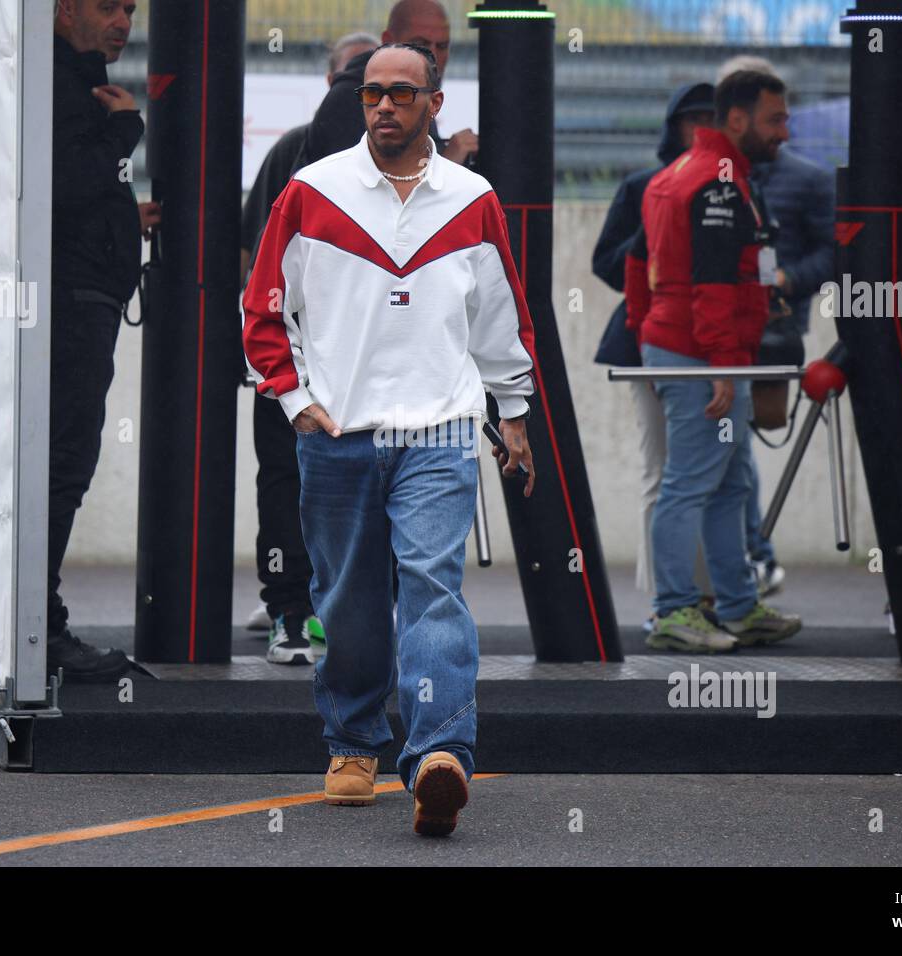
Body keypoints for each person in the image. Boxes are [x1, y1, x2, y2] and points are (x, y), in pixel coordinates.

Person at [242, 43, 536, 835]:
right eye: (373, 92)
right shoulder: (311, 191)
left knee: (433, 588)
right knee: (351, 603)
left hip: (440, 433)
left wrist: (512, 413)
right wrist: (297, 400)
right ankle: (353, 742)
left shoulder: (473, 198)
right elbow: (264, 310)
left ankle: (440, 751)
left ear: (434, 104)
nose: (383, 106)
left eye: (402, 93)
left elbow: (501, 317)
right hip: (337, 436)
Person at [637, 70, 802, 653]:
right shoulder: (718, 182)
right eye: (774, 119)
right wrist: (721, 366)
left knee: (731, 482)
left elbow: (638, 263)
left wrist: (647, 331)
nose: (784, 131)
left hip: (687, 348)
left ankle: (735, 605)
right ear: (736, 119)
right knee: (688, 484)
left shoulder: (681, 173)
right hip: (700, 355)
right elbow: (711, 284)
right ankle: (674, 611)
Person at [238, 32, 378, 665]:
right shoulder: (302, 155)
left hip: (326, 362)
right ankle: (302, 610)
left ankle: (304, 611)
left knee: (304, 481)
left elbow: (251, 257)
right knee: (309, 482)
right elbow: (255, 260)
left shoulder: (413, 168)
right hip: (322, 360)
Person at [47, 0, 157, 682]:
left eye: (130, 9)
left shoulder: (77, 81)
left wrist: (125, 213)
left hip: (82, 303)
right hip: (69, 310)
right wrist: (125, 134)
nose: (123, 20)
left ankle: (38, 620)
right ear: (62, 9)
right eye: (108, 4)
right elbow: (61, 180)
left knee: (65, 465)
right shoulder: (61, 85)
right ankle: (40, 627)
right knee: (61, 465)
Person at [715, 57, 835, 598]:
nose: (784, 131)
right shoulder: (700, 175)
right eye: (775, 119)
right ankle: (751, 558)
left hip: (771, 336)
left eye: (787, 119)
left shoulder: (808, 180)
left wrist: (788, 279)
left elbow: (838, 253)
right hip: (713, 337)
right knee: (729, 444)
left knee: (734, 440)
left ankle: (748, 561)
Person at [597, 83, 715, 627]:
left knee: (718, 474)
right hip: (651, 340)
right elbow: (606, 262)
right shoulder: (643, 185)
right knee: (661, 468)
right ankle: (667, 600)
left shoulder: (730, 186)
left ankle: (712, 594)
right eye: (692, 120)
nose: (701, 130)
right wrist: (656, 227)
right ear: (675, 126)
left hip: (714, 340)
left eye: (710, 120)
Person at [295, 0, 477, 171]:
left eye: (443, 46)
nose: (433, 56)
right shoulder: (347, 100)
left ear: (436, 102)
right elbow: (371, 190)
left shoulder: (422, 91)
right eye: (420, 44)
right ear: (388, 40)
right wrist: (447, 163)